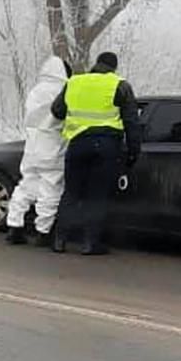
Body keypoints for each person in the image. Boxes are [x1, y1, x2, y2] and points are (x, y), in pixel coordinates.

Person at [50, 51, 142, 255]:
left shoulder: (75, 82)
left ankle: (59, 240)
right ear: (113, 68)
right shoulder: (120, 85)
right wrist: (134, 151)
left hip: (77, 143)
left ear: (96, 64)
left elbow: (57, 111)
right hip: (106, 146)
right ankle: (90, 243)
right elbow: (131, 121)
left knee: (71, 192)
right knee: (96, 195)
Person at [5, 56, 71, 247]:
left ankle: (14, 226)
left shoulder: (35, 91)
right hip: (52, 145)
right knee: (50, 189)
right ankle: (43, 231)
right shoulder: (62, 91)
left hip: (32, 145)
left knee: (26, 186)